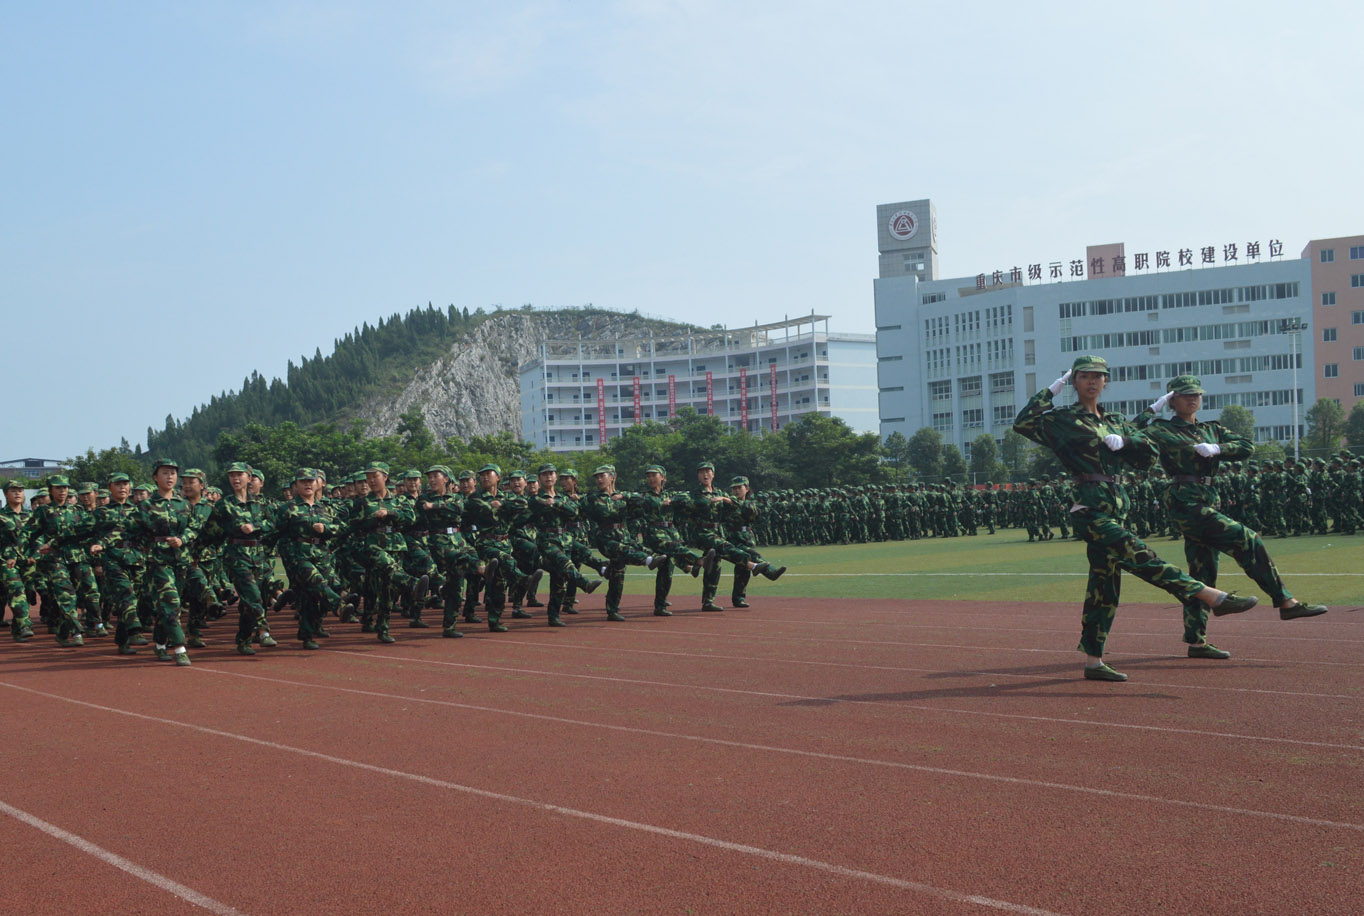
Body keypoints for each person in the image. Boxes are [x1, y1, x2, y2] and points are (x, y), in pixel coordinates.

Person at [1013, 356, 1257, 682]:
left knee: (1104, 588)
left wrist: (1126, 441)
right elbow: (1024, 422)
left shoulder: (1115, 421)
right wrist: (1054, 387)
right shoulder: (1062, 420)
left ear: (1105, 381)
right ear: (1074, 381)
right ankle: (1211, 596)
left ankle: (1093, 660)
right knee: (1142, 556)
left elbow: (1147, 456)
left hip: (1118, 506)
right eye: (1083, 376)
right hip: (1088, 508)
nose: (1092, 382)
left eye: (1098, 376)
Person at [1134, 375, 1327, 658]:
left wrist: (1219, 448)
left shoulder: (1212, 429)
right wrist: (1152, 409)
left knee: (1202, 573)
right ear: (1172, 400)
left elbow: (1247, 447)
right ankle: (1286, 601)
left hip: (1209, 499)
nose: (1193, 399)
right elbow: (1126, 431)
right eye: (1185, 395)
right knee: (1246, 537)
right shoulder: (1161, 430)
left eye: (1196, 394)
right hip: (1185, 501)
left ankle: (1196, 642)